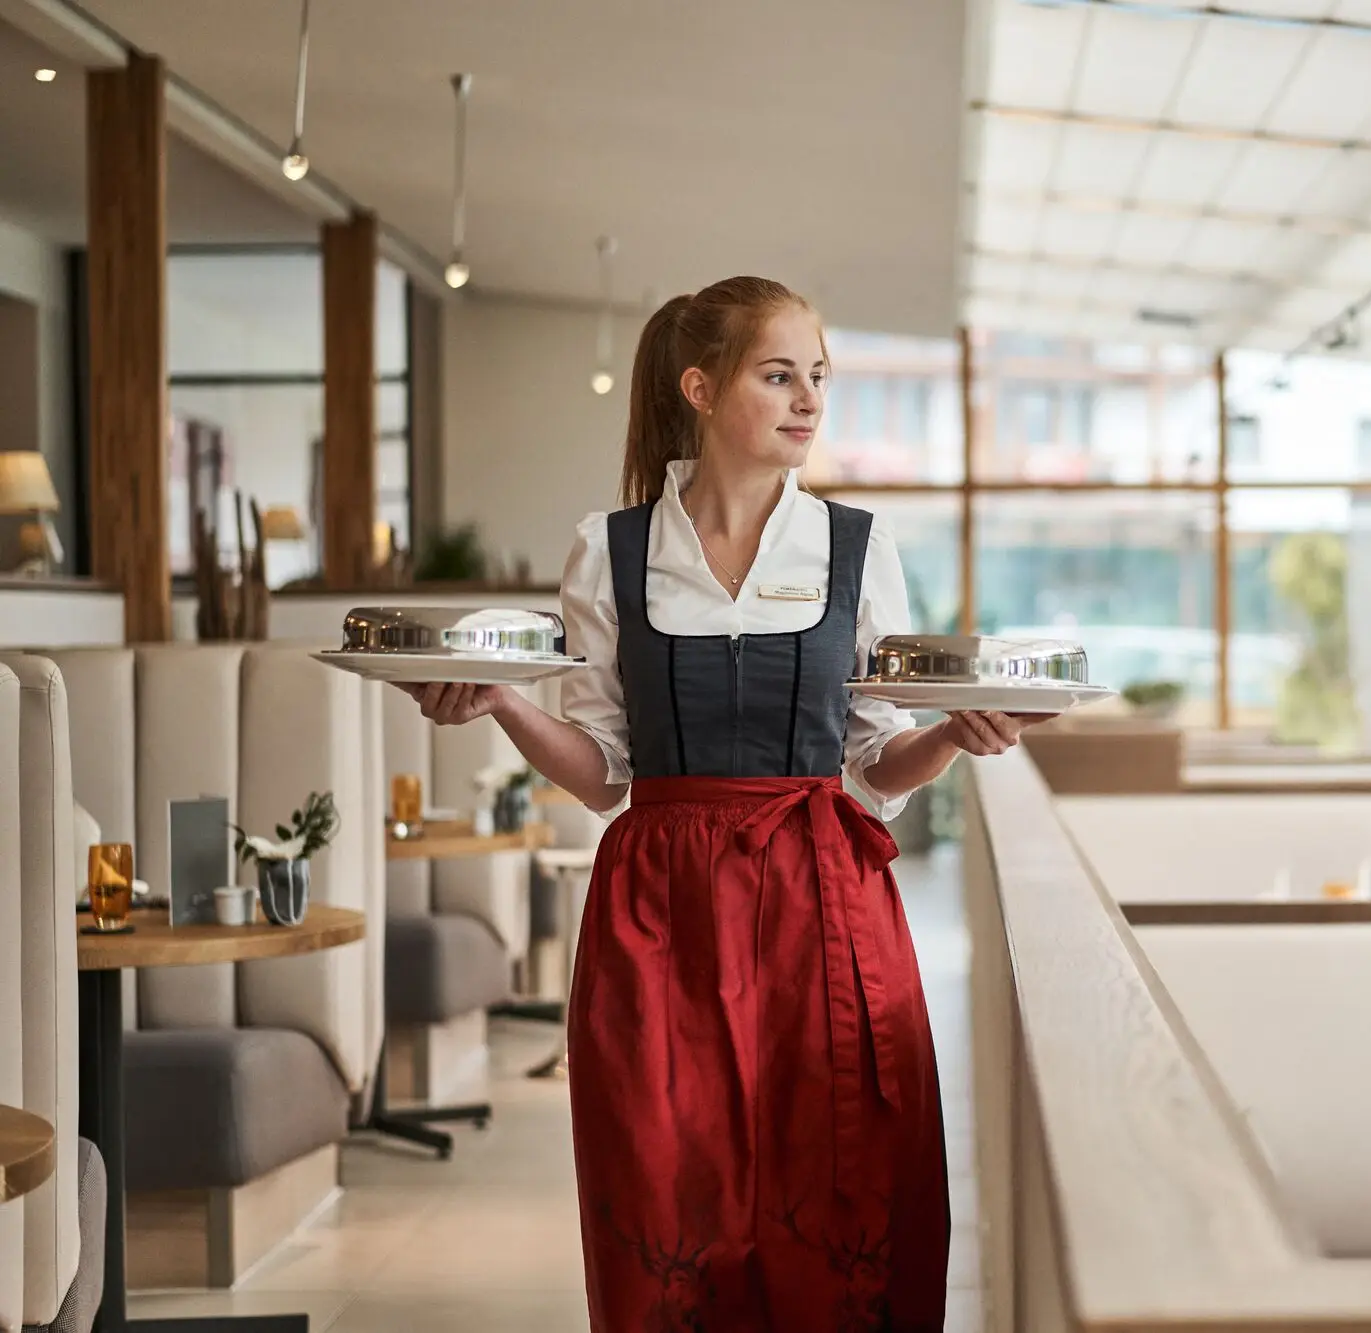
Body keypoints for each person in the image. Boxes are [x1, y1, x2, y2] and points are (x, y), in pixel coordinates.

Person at [399, 276, 1034, 1331]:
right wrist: (505, 701)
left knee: (843, 1200)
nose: (806, 399)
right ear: (700, 387)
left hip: (823, 902)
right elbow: (606, 769)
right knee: (663, 1198)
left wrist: (950, 736)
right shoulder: (607, 549)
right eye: (778, 374)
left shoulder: (854, 545)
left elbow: (870, 765)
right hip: (662, 915)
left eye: (817, 377)